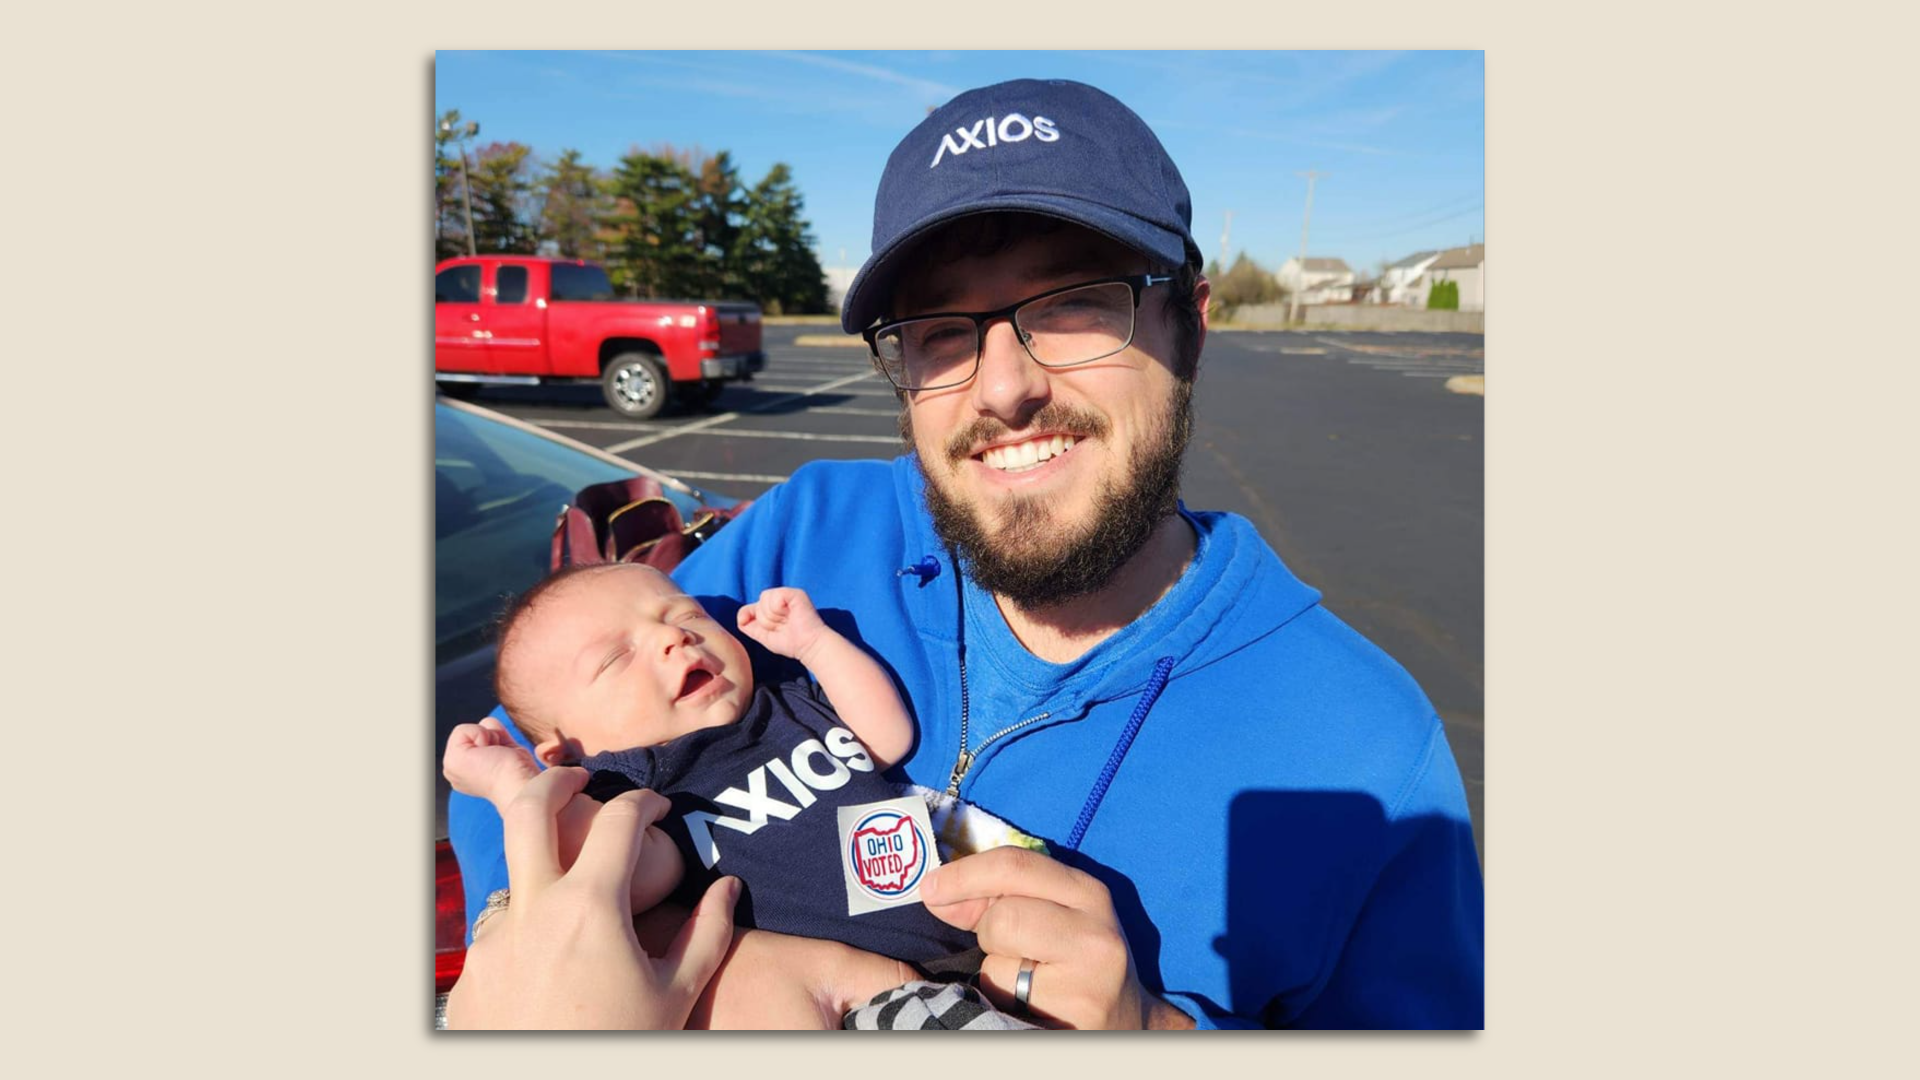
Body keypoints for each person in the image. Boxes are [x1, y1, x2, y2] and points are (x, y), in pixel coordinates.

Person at [449, 77, 1484, 1029]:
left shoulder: (1362, 751)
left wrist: (1155, 1030)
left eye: (1076, 302)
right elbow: (528, 743)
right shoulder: (805, 532)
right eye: (942, 331)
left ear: (1190, 327)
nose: (1002, 388)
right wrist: (609, 962)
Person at [445, 562, 1027, 966]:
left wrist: (814, 644)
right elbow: (626, 879)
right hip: (859, 1002)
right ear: (566, 752)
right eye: (616, 658)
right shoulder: (633, 789)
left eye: (685, 616)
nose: (672, 640)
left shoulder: (787, 703)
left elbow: (888, 739)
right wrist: (515, 786)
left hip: (981, 944)